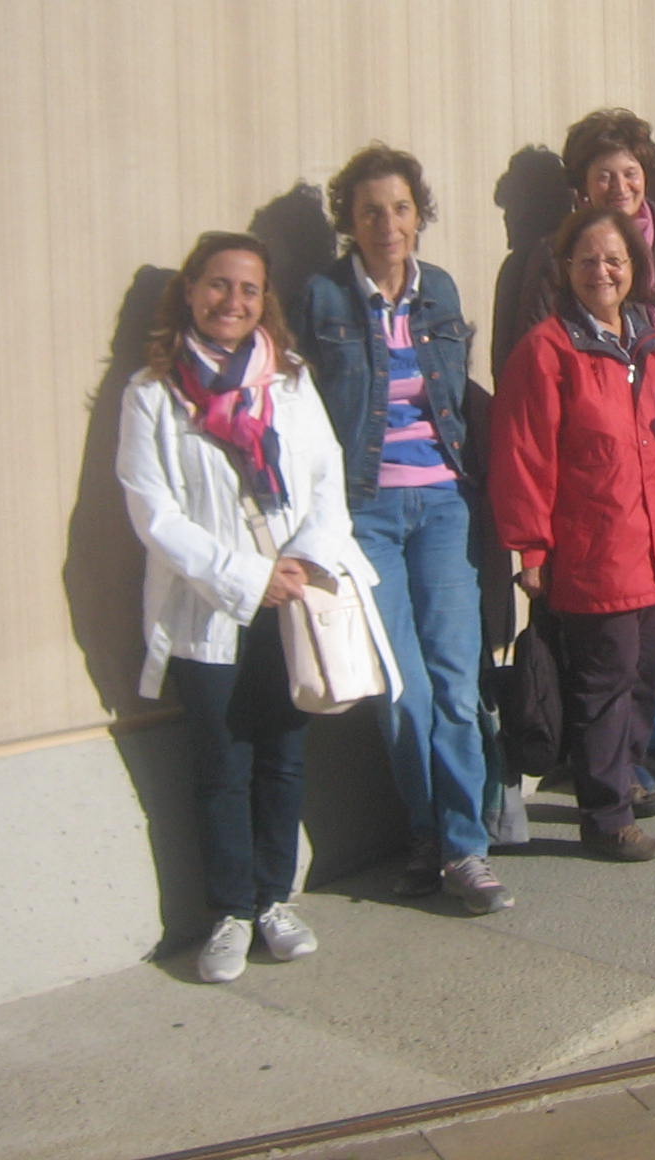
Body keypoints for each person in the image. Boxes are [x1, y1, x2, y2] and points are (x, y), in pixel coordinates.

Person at [117, 231, 395, 982]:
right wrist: (247, 577)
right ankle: (230, 913)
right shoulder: (152, 394)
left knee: (282, 756)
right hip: (208, 611)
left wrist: (298, 562)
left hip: (290, 602)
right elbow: (155, 514)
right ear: (190, 291)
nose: (231, 301)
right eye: (218, 284)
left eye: (247, 289)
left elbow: (327, 479)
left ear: (263, 300)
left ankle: (275, 899)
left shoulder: (291, 382)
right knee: (221, 764)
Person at [298, 145, 512, 915]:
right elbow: (302, 411)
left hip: (445, 507)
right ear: (349, 223)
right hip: (367, 516)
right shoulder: (323, 297)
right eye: (369, 212)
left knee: (455, 680)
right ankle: (428, 834)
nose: (387, 224)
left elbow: (455, 400)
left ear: (419, 215)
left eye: (399, 208)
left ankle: (464, 848)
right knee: (402, 689)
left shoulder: (440, 289)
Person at [492, 210, 655, 861]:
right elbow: (523, 457)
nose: (602, 271)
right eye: (588, 260)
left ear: (634, 268)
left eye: (614, 260)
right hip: (595, 553)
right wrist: (531, 550)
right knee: (604, 686)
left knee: (644, 678)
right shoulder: (546, 351)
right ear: (567, 269)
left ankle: (621, 777)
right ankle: (604, 817)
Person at [504, 109, 655, 788]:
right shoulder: (552, 268)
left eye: (630, 173)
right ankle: (609, 771)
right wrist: (532, 544)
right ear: (582, 186)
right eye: (605, 175)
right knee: (607, 644)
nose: (620, 186)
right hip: (596, 480)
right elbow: (529, 403)